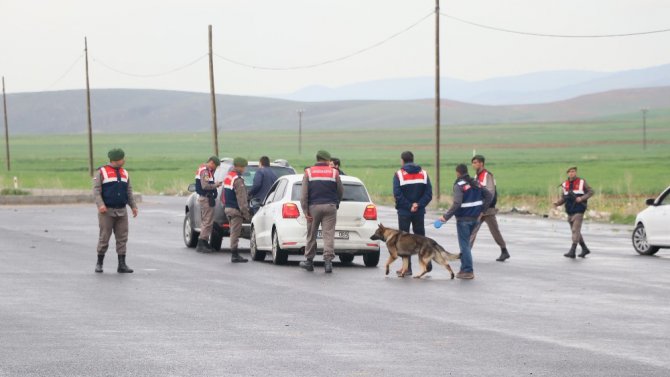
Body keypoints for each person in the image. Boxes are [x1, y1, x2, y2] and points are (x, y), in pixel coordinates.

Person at [437, 164, 492, 280]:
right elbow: (489, 195)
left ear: (457, 173)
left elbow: (457, 203)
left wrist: (445, 217)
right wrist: (483, 210)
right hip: (475, 218)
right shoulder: (476, 182)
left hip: (463, 219)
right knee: (466, 244)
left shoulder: (459, 185)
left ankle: (468, 271)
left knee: (465, 246)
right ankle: (463, 269)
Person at [93, 148, 138, 273]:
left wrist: (133, 206)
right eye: (122, 158)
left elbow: (129, 191)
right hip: (106, 211)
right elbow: (96, 191)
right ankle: (99, 263)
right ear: (115, 160)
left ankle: (122, 265)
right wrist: (100, 205)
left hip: (121, 211)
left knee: (122, 238)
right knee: (104, 237)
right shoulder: (101, 172)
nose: (124, 160)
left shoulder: (125, 173)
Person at [300, 150, 344, 273]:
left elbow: (304, 194)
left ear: (317, 158)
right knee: (328, 234)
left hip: (313, 207)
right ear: (327, 160)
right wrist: (336, 203)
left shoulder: (309, 172)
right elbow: (340, 190)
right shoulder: (334, 172)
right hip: (330, 206)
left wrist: (305, 211)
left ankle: (309, 261)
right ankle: (328, 263)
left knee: (311, 234)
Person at [392, 151, 433, 276]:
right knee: (421, 239)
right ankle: (426, 263)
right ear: (413, 159)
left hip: (404, 212)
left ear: (402, 160)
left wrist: (410, 206)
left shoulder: (399, 174)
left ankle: (407, 268)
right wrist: (418, 205)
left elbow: (397, 195)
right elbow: (428, 194)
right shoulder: (424, 174)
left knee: (404, 241)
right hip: (419, 212)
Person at [469, 155, 510, 262]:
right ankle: (466, 252)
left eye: (476, 162)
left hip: (488, 210)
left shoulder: (488, 175)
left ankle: (504, 250)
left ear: (481, 163)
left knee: (494, 231)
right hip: (480, 209)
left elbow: (490, 193)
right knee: (473, 229)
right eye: (473, 163)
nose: (474, 165)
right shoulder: (476, 176)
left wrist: (484, 208)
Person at [553, 166, 594, 258]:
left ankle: (572, 251)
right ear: (567, 173)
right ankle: (584, 249)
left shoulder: (582, 182)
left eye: (574, 171)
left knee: (575, 230)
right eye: (570, 172)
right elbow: (564, 197)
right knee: (575, 231)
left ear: (576, 172)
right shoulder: (565, 184)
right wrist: (558, 203)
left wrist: (582, 198)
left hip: (579, 209)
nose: (572, 173)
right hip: (569, 210)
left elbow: (591, 192)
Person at [223, 157, 251, 263]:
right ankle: (234, 254)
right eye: (243, 167)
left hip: (228, 208)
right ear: (239, 167)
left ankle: (234, 253)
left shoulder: (229, 177)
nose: (244, 169)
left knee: (232, 232)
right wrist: (246, 213)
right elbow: (242, 199)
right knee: (235, 233)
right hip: (236, 210)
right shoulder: (238, 180)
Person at [195, 156, 222, 253]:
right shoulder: (205, 171)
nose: (215, 168)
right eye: (215, 165)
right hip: (206, 198)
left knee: (207, 221)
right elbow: (205, 185)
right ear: (211, 162)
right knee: (207, 221)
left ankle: (204, 242)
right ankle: (202, 242)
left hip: (207, 198)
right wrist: (216, 185)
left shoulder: (207, 170)